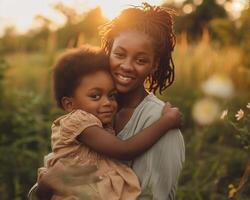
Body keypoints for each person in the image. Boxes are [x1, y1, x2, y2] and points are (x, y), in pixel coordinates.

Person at [29, 2, 185, 200]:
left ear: (154, 66)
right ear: (109, 51)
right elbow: (48, 185)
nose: (127, 66)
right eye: (119, 54)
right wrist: (46, 183)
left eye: (140, 60)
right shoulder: (91, 110)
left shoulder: (158, 121)